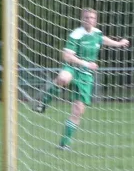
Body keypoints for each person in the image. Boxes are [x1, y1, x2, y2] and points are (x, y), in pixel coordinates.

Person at [34, 8, 129, 150]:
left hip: (86, 75)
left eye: (91, 17)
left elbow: (102, 39)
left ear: (95, 20)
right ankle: (43, 104)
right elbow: (66, 56)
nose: (88, 20)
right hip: (73, 67)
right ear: (81, 19)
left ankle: (64, 144)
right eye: (86, 17)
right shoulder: (76, 34)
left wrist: (119, 43)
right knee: (63, 78)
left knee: (78, 111)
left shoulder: (97, 33)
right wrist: (86, 63)